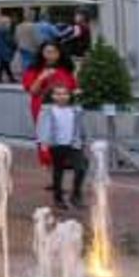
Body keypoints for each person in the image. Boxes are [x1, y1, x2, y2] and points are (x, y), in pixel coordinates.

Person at [35, 84, 88, 213]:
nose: (61, 96)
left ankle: (75, 195)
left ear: (69, 96)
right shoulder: (47, 110)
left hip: (73, 145)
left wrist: (83, 140)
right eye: (58, 94)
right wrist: (44, 146)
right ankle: (58, 198)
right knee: (58, 172)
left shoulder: (75, 110)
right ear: (52, 96)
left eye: (65, 94)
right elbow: (42, 128)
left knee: (81, 168)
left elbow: (81, 127)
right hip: (56, 145)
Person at [21, 40, 77, 130]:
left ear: (60, 53)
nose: (51, 55)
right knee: (45, 135)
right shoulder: (34, 69)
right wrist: (41, 78)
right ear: (42, 53)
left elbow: (73, 88)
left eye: (54, 52)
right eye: (48, 52)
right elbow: (32, 91)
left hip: (64, 109)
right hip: (43, 108)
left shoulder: (65, 69)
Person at [0, 15, 17, 83]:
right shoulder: (5, 30)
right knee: (4, 64)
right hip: (4, 49)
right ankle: (0, 78)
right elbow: (8, 40)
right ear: (5, 23)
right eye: (8, 22)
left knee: (5, 64)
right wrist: (14, 44)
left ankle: (9, 78)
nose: (9, 23)